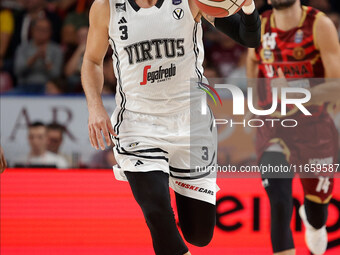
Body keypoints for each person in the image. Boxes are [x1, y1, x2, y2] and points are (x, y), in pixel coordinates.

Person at [81, 0, 261, 254]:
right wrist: (95, 106)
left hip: (191, 123)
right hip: (138, 122)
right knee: (157, 213)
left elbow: (248, 37)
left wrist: (249, 7)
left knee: (199, 235)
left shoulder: (192, 1)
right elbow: (92, 61)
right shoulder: (107, 6)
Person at [247, 0, 340, 254]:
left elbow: (337, 87)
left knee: (318, 211)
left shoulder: (319, 25)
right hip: (274, 127)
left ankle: (314, 222)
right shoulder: (260, 25)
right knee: (278, 202)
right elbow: (253, 61)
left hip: (314, 127)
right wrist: (257, 102)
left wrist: (297, 93)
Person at [14, 18, 63, 94]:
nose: (41, 33)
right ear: (32, 30)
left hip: (46, 86)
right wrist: (34, 58)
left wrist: (46, 60)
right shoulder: (22, 48)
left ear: (50, 32)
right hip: (24, 85)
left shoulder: (56, 50)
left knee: (54, 92)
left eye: (45, 30)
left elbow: (56, 74)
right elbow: (18, 71)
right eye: (39, 29)